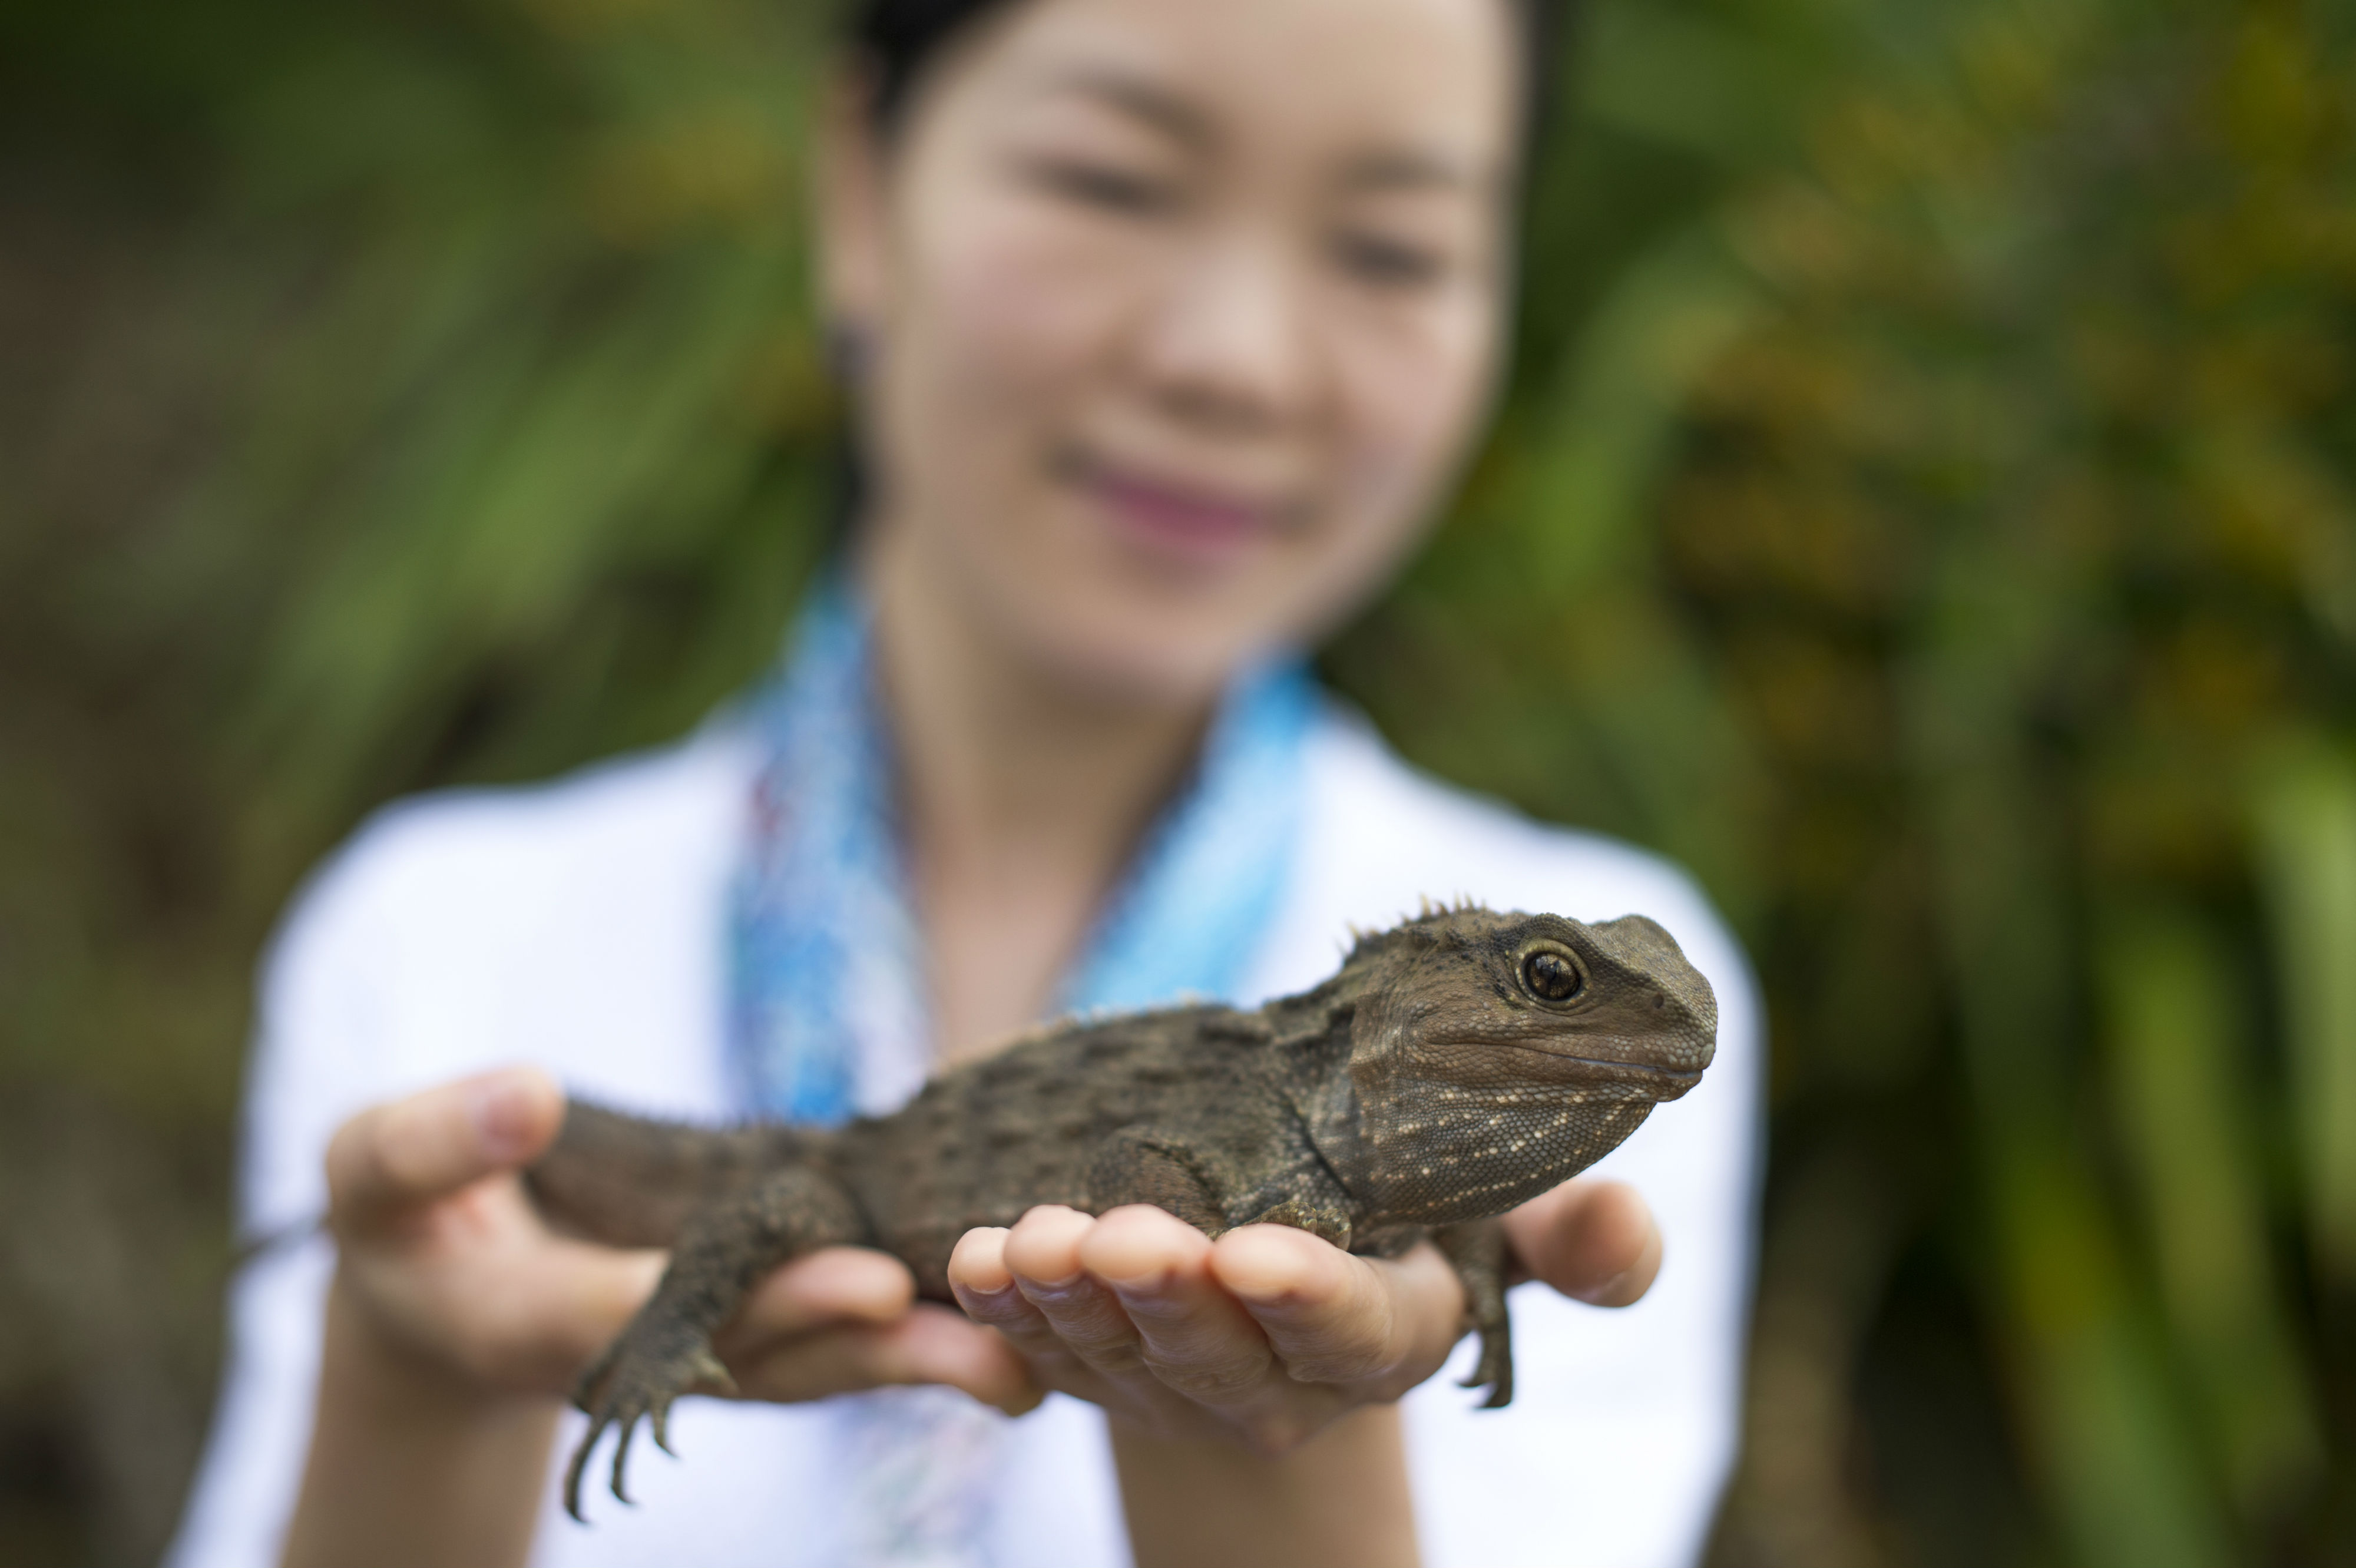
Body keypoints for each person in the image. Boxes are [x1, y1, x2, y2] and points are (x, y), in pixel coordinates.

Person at [163, 0, 1761, 1562]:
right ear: (859, 192)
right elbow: (1153, 1192)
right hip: (857, 1186)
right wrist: (425, 1377)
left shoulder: (1488, 1141)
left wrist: (1290, 1413)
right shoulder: (432, 937)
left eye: (1392, 246)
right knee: (780, 1212)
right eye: (1112, 181)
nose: (1232, 361)